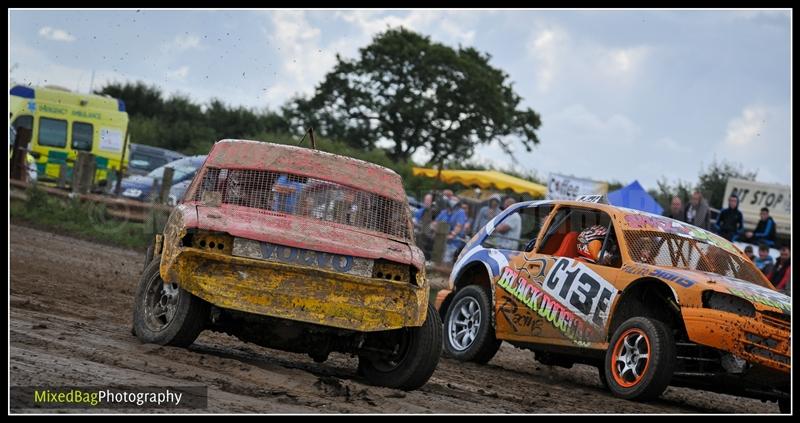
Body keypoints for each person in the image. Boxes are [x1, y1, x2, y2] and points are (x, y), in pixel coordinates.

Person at [433, 198, 467, 264]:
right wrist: (434, 229)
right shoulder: (444, 212)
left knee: (446, 260)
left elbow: (459, 226)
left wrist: (452, 234)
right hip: (440, 240)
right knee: (436, 258)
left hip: (453, 242)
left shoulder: (460, 212)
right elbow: (435, 223)